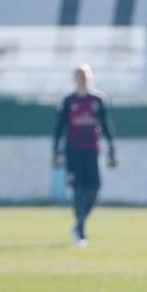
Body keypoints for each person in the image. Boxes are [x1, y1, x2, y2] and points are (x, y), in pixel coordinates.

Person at [53, 63, 117, 246]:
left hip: (91, 150)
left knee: (94, 188)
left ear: (90, 77)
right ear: (75, 79)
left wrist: (112, 149)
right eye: (79, 76)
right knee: (77, 189)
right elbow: (59, 128)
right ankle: (80, 230)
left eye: (85, 75)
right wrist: (56, 152)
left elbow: (106, 126)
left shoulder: (98, 100)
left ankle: (79, 223)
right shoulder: (68, 101)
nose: (82, 79)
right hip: (73, 151)